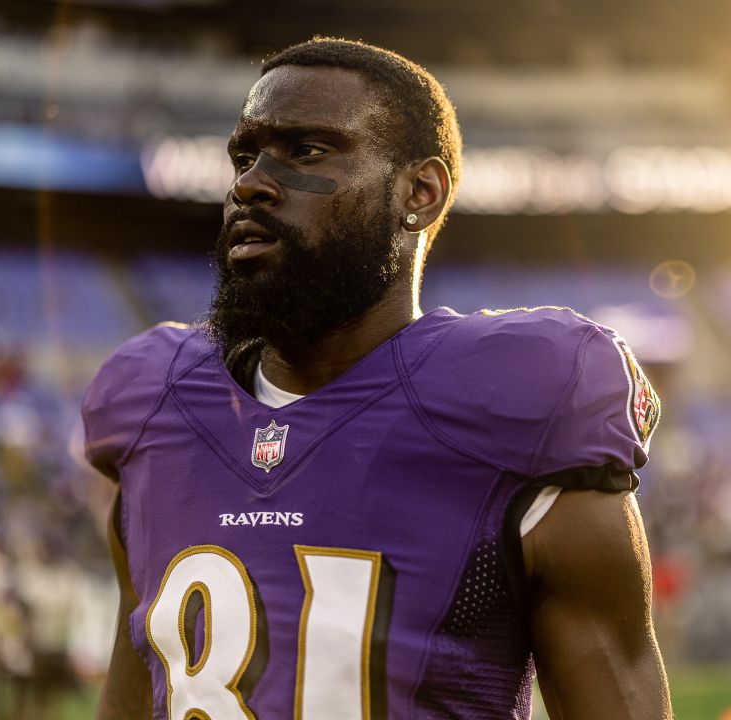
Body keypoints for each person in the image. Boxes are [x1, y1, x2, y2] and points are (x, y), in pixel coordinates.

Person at [82, 37, 673, 719]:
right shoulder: (156, 404)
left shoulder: (518, 408)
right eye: (245, 156)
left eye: (307, 152)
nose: (249, 182)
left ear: (419, 194)